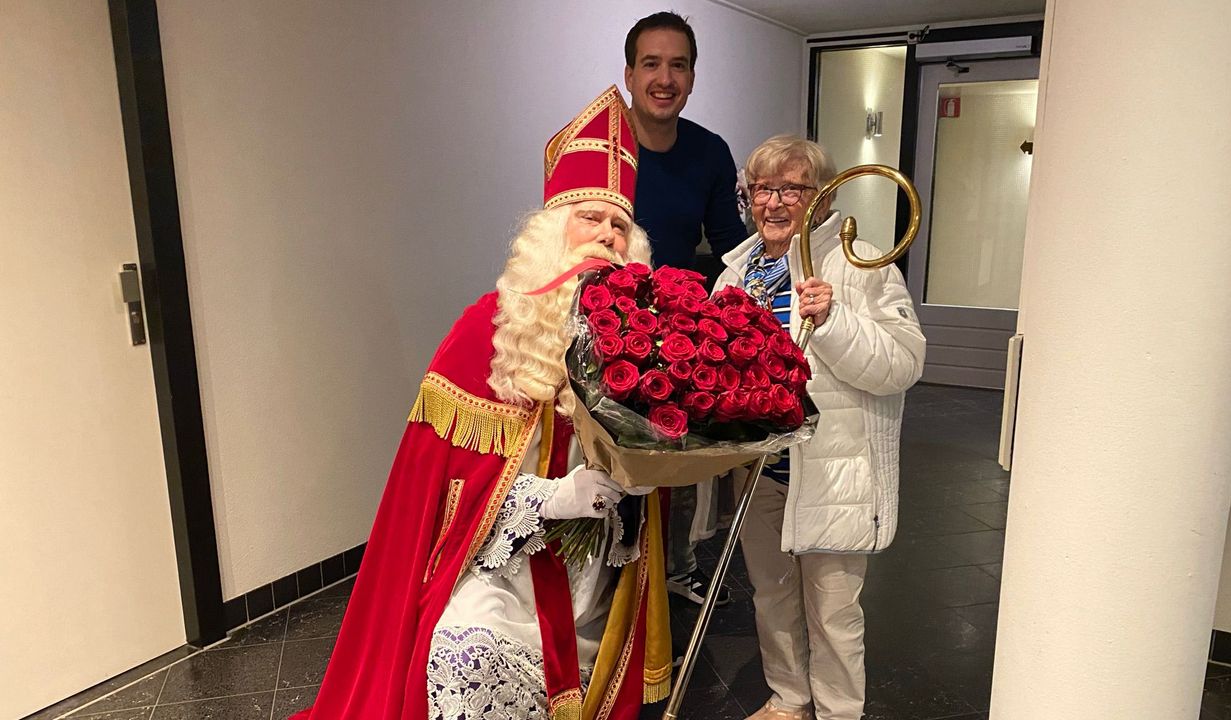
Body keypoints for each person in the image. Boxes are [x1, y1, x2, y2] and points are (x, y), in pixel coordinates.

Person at [294, 86, 671, 720]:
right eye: (589, 218)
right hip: (501, 567)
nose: (605, 236)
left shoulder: (646, 335)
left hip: (596, 574)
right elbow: (449, 495)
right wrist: (554, 498)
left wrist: (628, 488)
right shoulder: (489, 330)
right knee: (465, 647)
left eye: (618, 226)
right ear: (553, 232)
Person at [713, 135, 925, 720]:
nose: (774, 202)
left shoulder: (862, 265)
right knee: (772, 598)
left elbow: (903, 365)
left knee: (832, 609)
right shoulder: (734, 275)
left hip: (834, 468)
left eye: (791, 188)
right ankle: (788, 699)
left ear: (823, 197)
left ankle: (838, 712)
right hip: (761, 468)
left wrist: (834, 319)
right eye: (762, 188)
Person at [624, 10, 748, 606]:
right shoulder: (601, 145)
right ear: (629, 74)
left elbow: (729, 244)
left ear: (693, 78)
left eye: (678, 65)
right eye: (652, 63)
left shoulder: (708, 151)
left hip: (672, 325)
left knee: (672, 452)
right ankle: (607, 576)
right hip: (602, 324)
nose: (664, 77)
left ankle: (673, 565)